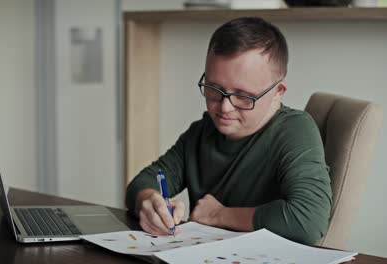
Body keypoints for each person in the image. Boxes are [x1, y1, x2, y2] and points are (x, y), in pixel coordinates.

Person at [125, 17, 332, 245]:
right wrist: (150, 200)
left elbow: (309, 220)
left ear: (278, 91)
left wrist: (218, 215)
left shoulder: (294, 130)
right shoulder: (202, 132)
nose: (224, 107)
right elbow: (145, 180)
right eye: (214, 89)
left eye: (243, 96)